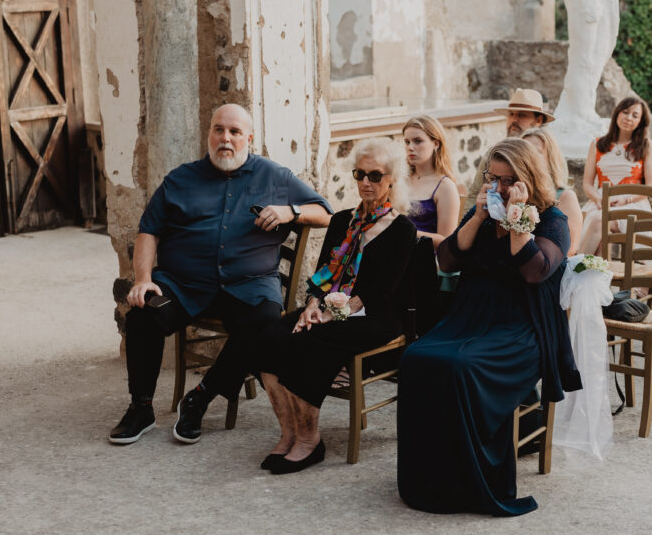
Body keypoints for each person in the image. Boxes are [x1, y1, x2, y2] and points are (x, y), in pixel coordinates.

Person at [182, 138, 417, 472]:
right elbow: (322, 275)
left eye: (375, 176)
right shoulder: (342, 221)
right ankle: (289, 433)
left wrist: (331, 314)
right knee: (269, 337)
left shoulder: (401, 230)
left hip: (372, 316)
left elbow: (380, 291)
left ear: (392, 179)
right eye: (360, 174)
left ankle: (310, 440)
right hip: (329, 308)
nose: (366, 182)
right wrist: (310, 306)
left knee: (309, 344)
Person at [109, 104, 332, 445]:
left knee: (266, 325)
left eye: (235, 132)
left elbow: (326, 213)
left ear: (249, 139)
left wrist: (291, 211)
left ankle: (200, 397)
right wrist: (142, 279)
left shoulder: (275, 176)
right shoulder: (180, 179)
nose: (225, 138)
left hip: (249, 286)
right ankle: (141, 408)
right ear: (209, 133)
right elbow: (148, 231)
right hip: (184, 284)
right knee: (144, 312)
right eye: (219, 130)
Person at [396, 138, 581, 517]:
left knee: (461, 367)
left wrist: (517, 218)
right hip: (470, 316)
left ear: (528, 178)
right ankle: (431, 475)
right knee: (417, 358)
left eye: (508, 179)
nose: (497, 187)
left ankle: (472, 477)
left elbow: (534, 271)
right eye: (491, 177)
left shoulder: (553, 221)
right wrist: (478, 216)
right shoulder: (483, 214)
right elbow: (447, 261)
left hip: (522, 328)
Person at [578, 96, 652, 255]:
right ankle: (594, 272)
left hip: (633, 203)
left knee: (598, 221)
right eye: (625, 112)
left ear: (641, 121)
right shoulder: (597, 144)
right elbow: (587, 183)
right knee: (597, 225)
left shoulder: (646, 145)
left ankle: (575, 266)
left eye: (635, 115)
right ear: (617, 114)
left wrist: (626, 200)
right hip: (600, 200)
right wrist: (597, 199)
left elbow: (651, 187)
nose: (629, 118)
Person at [463, 89, 554, 210]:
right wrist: (468, 223)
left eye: (522, 115)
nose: (514, 120)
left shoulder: (549, 154)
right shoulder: (494, 153)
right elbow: (475, 193)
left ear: (538, 120)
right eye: (511, 114)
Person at [521, 127, 584, 255]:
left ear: (549, 158)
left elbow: (570, 249)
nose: (529, 156)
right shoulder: (512, 192)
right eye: (524, 151)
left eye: (536, 151)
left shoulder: (565, 197)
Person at [402, 116, 460, 248]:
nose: (410, 147)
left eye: (418, 141)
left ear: (436, 143)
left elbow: (446, 241)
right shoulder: (400, 179)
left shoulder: (445, 187)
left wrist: (407, 232)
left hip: (426, 259)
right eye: (407, 142)